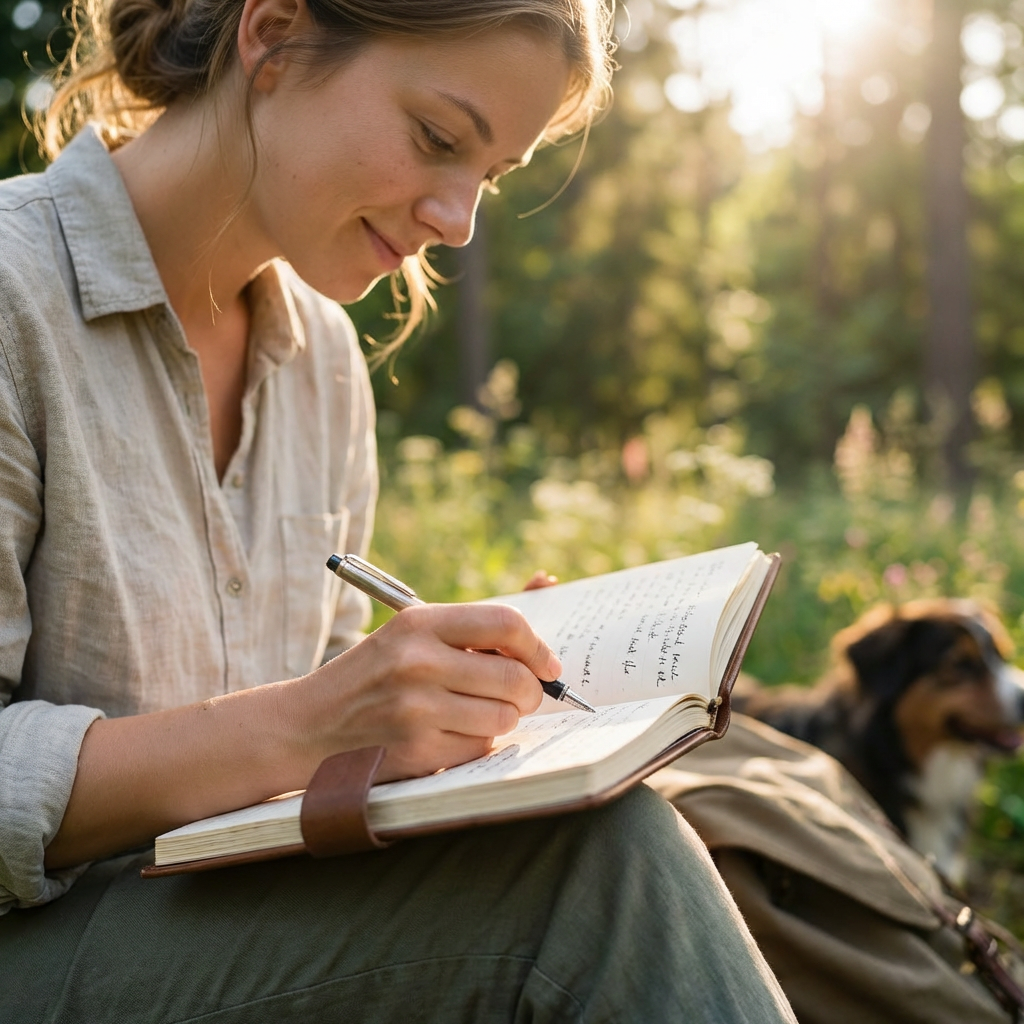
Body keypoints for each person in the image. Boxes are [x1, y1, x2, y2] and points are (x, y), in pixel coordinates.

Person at [0, 1, 797, 1020]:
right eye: (436, 139)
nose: (459, 220)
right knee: (588, 876)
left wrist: (448, 720)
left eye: (489, 176)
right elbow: (284, 731)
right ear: (275, 33)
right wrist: (310, 720)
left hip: (209, 932)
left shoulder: (322, 366)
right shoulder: (16, 293)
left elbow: (288, 778)